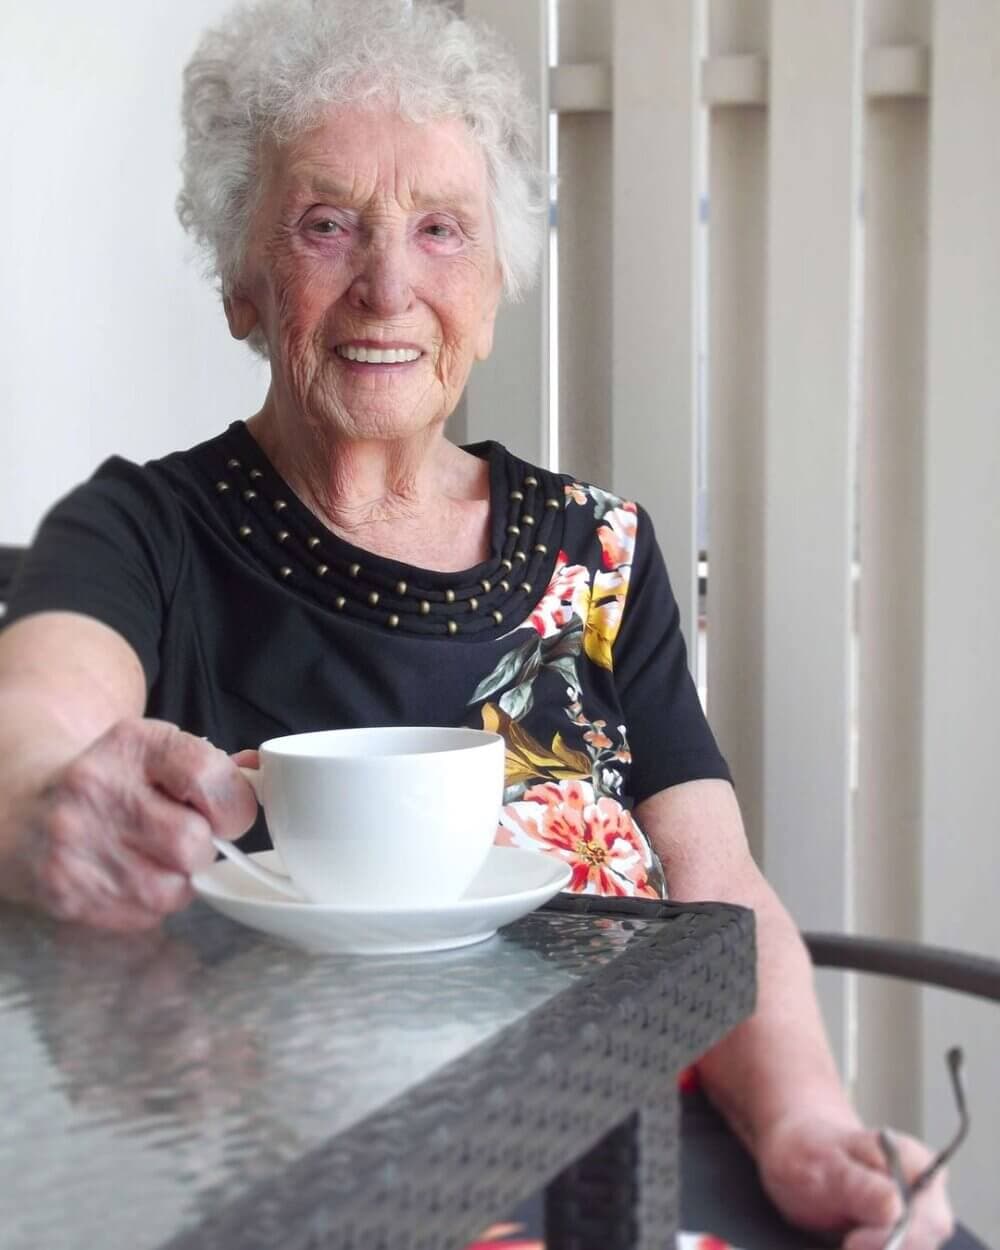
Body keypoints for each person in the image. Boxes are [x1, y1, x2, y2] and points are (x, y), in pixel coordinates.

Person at [0, 2, 955, 1247]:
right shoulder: (144, 531)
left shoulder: (598, 549)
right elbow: (36, 716)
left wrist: (804, 1123)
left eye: (441, 229)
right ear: (241, 281)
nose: (389, 284)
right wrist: (35, 801)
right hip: (336, 1184)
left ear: (497, 279)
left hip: (645, 1147)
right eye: (325, 224)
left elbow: (716, 880)